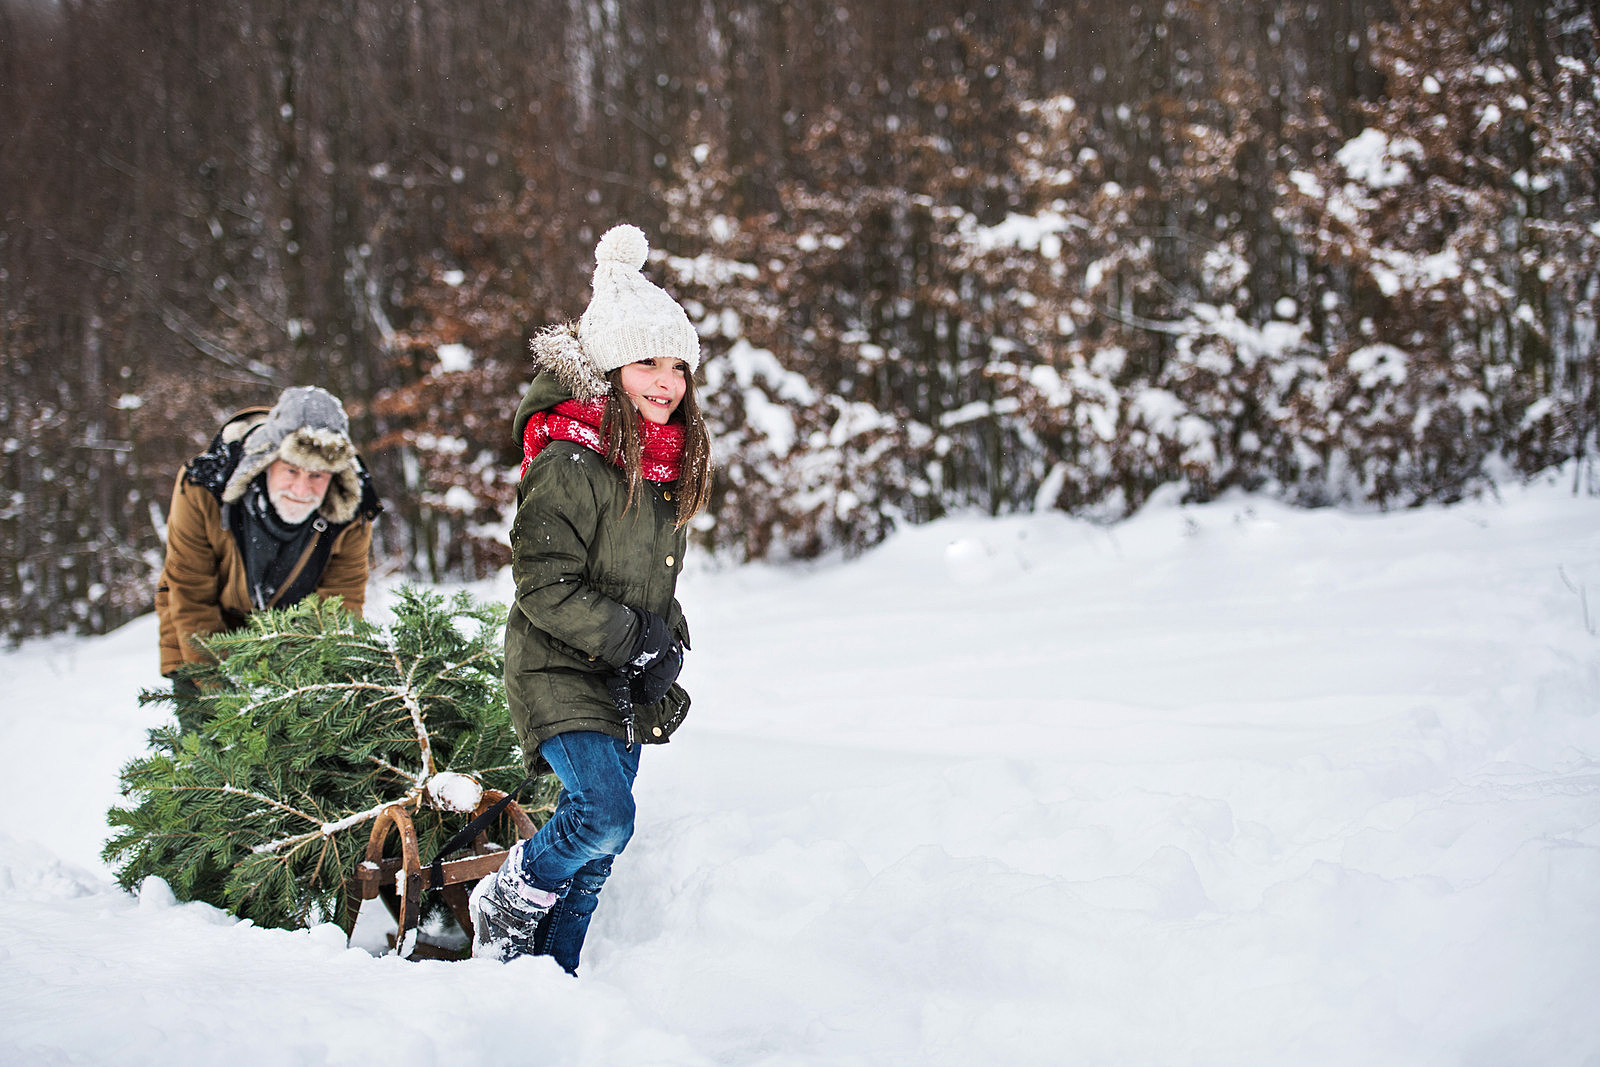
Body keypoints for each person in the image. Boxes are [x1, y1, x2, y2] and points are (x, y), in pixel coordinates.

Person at [469, 223, 713, 972]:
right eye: (647, 362)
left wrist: (666, 644)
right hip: (556, 668)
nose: (666, 380)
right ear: (609, 365)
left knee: (601, 857)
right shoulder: (570, 458)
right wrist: (631, 638)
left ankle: (551, 979)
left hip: (622, 678)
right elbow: (543, 581)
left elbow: (648, 577)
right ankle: (505, 899)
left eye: (676, 365)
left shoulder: (660, 465)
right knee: (603, 817)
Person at [155, 385, 381, 729]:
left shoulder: (351, 509)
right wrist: (228, 696)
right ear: (267, 460)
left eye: (317, 475)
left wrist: (302, 688)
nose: (302, 490)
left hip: (293, 638)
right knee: (211, 756)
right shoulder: (203, 487)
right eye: (292, 470)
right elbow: (191, 596)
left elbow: (340, 604)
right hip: (203, 630)